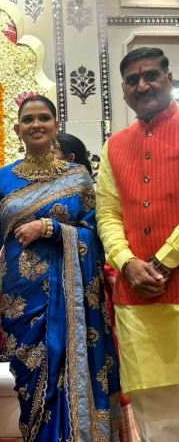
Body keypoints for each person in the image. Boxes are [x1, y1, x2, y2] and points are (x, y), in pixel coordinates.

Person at [0, 95, 120, 441]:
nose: (36, 124)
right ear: (17, 129)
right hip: (21, 299)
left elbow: (94, 235)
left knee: (67, 371)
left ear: (55, 125)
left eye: (44, 118)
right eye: (28, 119)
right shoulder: (2, 178)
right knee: (31, 384)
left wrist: (50, 228)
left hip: (71, 299)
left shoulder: (78, 176)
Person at [96, 47, 179, 440]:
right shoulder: (114, 146)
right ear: (124, 90)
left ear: (169, 79)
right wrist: (127, 262)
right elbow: (108, 213)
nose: (142, 85)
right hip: (137, 302)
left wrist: (164, 261)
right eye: (132, 80)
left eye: (151, 76)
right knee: (154, 419)